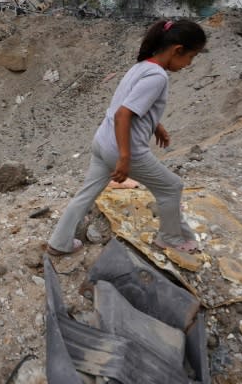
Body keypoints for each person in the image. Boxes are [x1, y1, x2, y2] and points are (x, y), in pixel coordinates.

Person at [47, 19, 207, 256]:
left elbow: (132, 106)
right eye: (190, 57)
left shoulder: (141, 66)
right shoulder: (158, 77)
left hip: (102, 140)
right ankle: (170, 238)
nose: (189, 64)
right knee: (172, 187)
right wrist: (124, 157)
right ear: (177, 50)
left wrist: (156, 126)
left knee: (86, 194)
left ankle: (59, 243)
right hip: (121, 147)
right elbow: (124, 114)